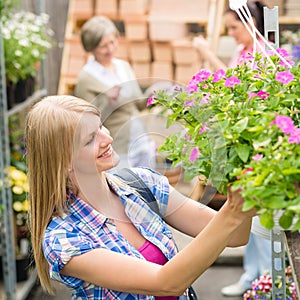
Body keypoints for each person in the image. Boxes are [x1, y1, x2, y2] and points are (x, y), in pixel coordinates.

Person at [25, 95, 256, 299]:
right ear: (63, 162)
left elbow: (236, 236)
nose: (107, 139)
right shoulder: (65, 238)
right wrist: (233, 210)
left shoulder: (142, 184)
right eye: (90, 139)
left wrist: (242, 175)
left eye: (101, 127)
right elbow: (166, 283)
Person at [194, 1, 273, 297]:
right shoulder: (243, 51)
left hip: (258, 143)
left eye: (234, 27)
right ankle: (252, 275)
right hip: (241, 143)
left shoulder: (263, 52)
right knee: (246, 213)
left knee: (261, 216)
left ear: (252, 23)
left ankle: (266, 277)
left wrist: (206, 54)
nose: (230, 33)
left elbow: (233, 83)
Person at [74, 15, 156, 170]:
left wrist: (153, 95)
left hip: (140, 139)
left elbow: (137, 104)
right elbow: (86, 123)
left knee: (147, 185)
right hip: (117, 145)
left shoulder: (123, 66)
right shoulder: (86, 77)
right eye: (103, 46)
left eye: (112, 42)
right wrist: (107, 102)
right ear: (91, 48)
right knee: (124, 187)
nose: (110, 49)